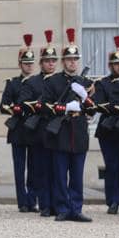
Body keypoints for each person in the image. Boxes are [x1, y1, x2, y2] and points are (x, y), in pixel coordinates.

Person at [40, 28, 95, 222]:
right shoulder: (53, 81)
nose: (73, 62)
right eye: (69, 59)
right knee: (60, 175)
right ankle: (63, 208)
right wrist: (64, 108)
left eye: (75, 59)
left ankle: (76, 208)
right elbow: (43, 106)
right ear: (63, 61)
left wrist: (84, 97)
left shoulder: (85, 82)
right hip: (61, 133)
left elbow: (92, 110)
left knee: (77, 176)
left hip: (79, 132)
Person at [17, 29, 59, 217]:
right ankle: (44, 204)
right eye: (47, 61)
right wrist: (42, 105)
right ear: (41, 63)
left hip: (57, 132)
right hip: (39, 131)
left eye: (53, 61)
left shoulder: (61, 82)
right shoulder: (32, 83)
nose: (50, 64)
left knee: (56, 170)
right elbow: (24, 104)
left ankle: (57, 203)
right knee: (39, 170)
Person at [0, 34, 37, 213]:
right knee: (19, 169)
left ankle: (32, 200)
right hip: (18, 130)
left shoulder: (40, 83)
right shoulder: (12, 84)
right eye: (26, 63)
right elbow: (3, 106)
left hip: (34, 130)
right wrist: (16, 110)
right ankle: (22, 201)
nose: (29, 66)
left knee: (35, 168)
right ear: (20, 64)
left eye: (31, 63)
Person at [93, 36, 119, 214]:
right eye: (116, 64)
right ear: (110, 66)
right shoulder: (103, 83)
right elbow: (99, 103)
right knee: (112, 165)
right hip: (108, 129)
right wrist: (116, 107)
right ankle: (113, 200)